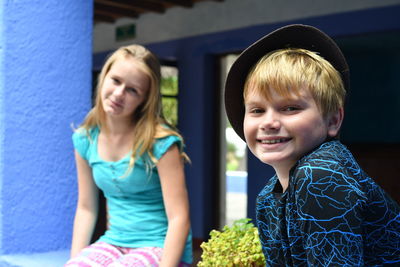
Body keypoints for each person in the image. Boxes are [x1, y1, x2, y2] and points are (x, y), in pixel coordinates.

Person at [224, 24, 400, 266]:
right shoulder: (268, 197)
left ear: (333, 120)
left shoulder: (321, 174)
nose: (269, 122)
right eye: (257, 110)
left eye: (290, 108)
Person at [65, 44, 192, 267]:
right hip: (113, 242)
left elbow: (179, 218)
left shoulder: (160, 143)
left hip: (158, 244)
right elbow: (86, 208)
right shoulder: (85, 139)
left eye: (133, 90)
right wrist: (74, 261)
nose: (119, 94)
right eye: (115, 80)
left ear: (144, 99)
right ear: (104, 77)